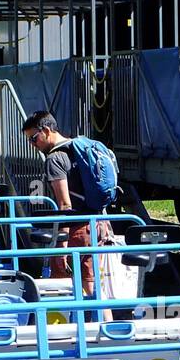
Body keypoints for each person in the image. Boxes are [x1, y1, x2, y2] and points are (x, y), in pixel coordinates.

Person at [22, 110, 106, 297]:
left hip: (77, 230)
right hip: (97, 224)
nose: (32, 145)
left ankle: (68, 325)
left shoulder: (54, 159)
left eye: (34, 139)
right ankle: (105, 323)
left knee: (63, 286)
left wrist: (62, 246)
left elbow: (65, 205)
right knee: (94, 287)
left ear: (46, 130)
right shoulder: (78, 149)